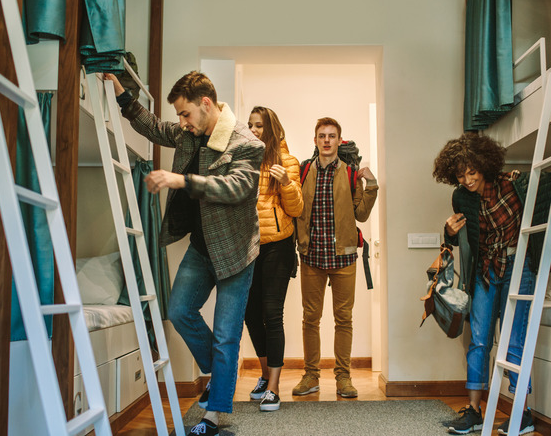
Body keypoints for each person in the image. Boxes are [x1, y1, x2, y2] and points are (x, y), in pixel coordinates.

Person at [104, 71, 264, 436]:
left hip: (236, 252)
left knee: (226, 335)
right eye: (179, 115)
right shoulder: (188, 132)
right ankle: (221, 372)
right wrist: (122, 94)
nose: (181, 123)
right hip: (201, 245)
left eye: (186, 114)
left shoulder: (246, 143)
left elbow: (237, 187)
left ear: (206, 104)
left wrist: (181, 180)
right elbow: (156, 128)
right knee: (177, 310)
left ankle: (212, 417)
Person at [432, 133, 551, 435]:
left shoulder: (513, 184)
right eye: (461, 174)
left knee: (513, 340)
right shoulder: (461, 196)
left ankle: (522, 413)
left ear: (485, 165)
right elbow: (464, 239)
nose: (468, 179)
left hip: (519, 266)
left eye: (472, 172)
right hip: (485, 269)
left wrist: (530, 185)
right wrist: (447, 233)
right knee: (480, 340)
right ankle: (474, 412)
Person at [292, 117, 378, 399]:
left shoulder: (351, 174)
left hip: (344, 259)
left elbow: (361, 215)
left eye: (332, 136)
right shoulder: (304, 171)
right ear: (315, 141)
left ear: (339, 142)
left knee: (344, 320)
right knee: (310, 319)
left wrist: (371, 184)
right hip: (312, 258)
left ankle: (343, 378)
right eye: (322, 136)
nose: (327, 140)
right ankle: (311, 375)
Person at [243, 106, 303, 412]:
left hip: (278, 247)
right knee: (250, 313)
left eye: (259, 126)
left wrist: (287, 184)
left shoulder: (287, 161)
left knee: (271, 313)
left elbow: (296, 209)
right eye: (251, 125)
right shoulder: (243, 158)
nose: (254, 130)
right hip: (248, 246)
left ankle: (275, 388)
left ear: (272, 129)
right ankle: (266, 377)